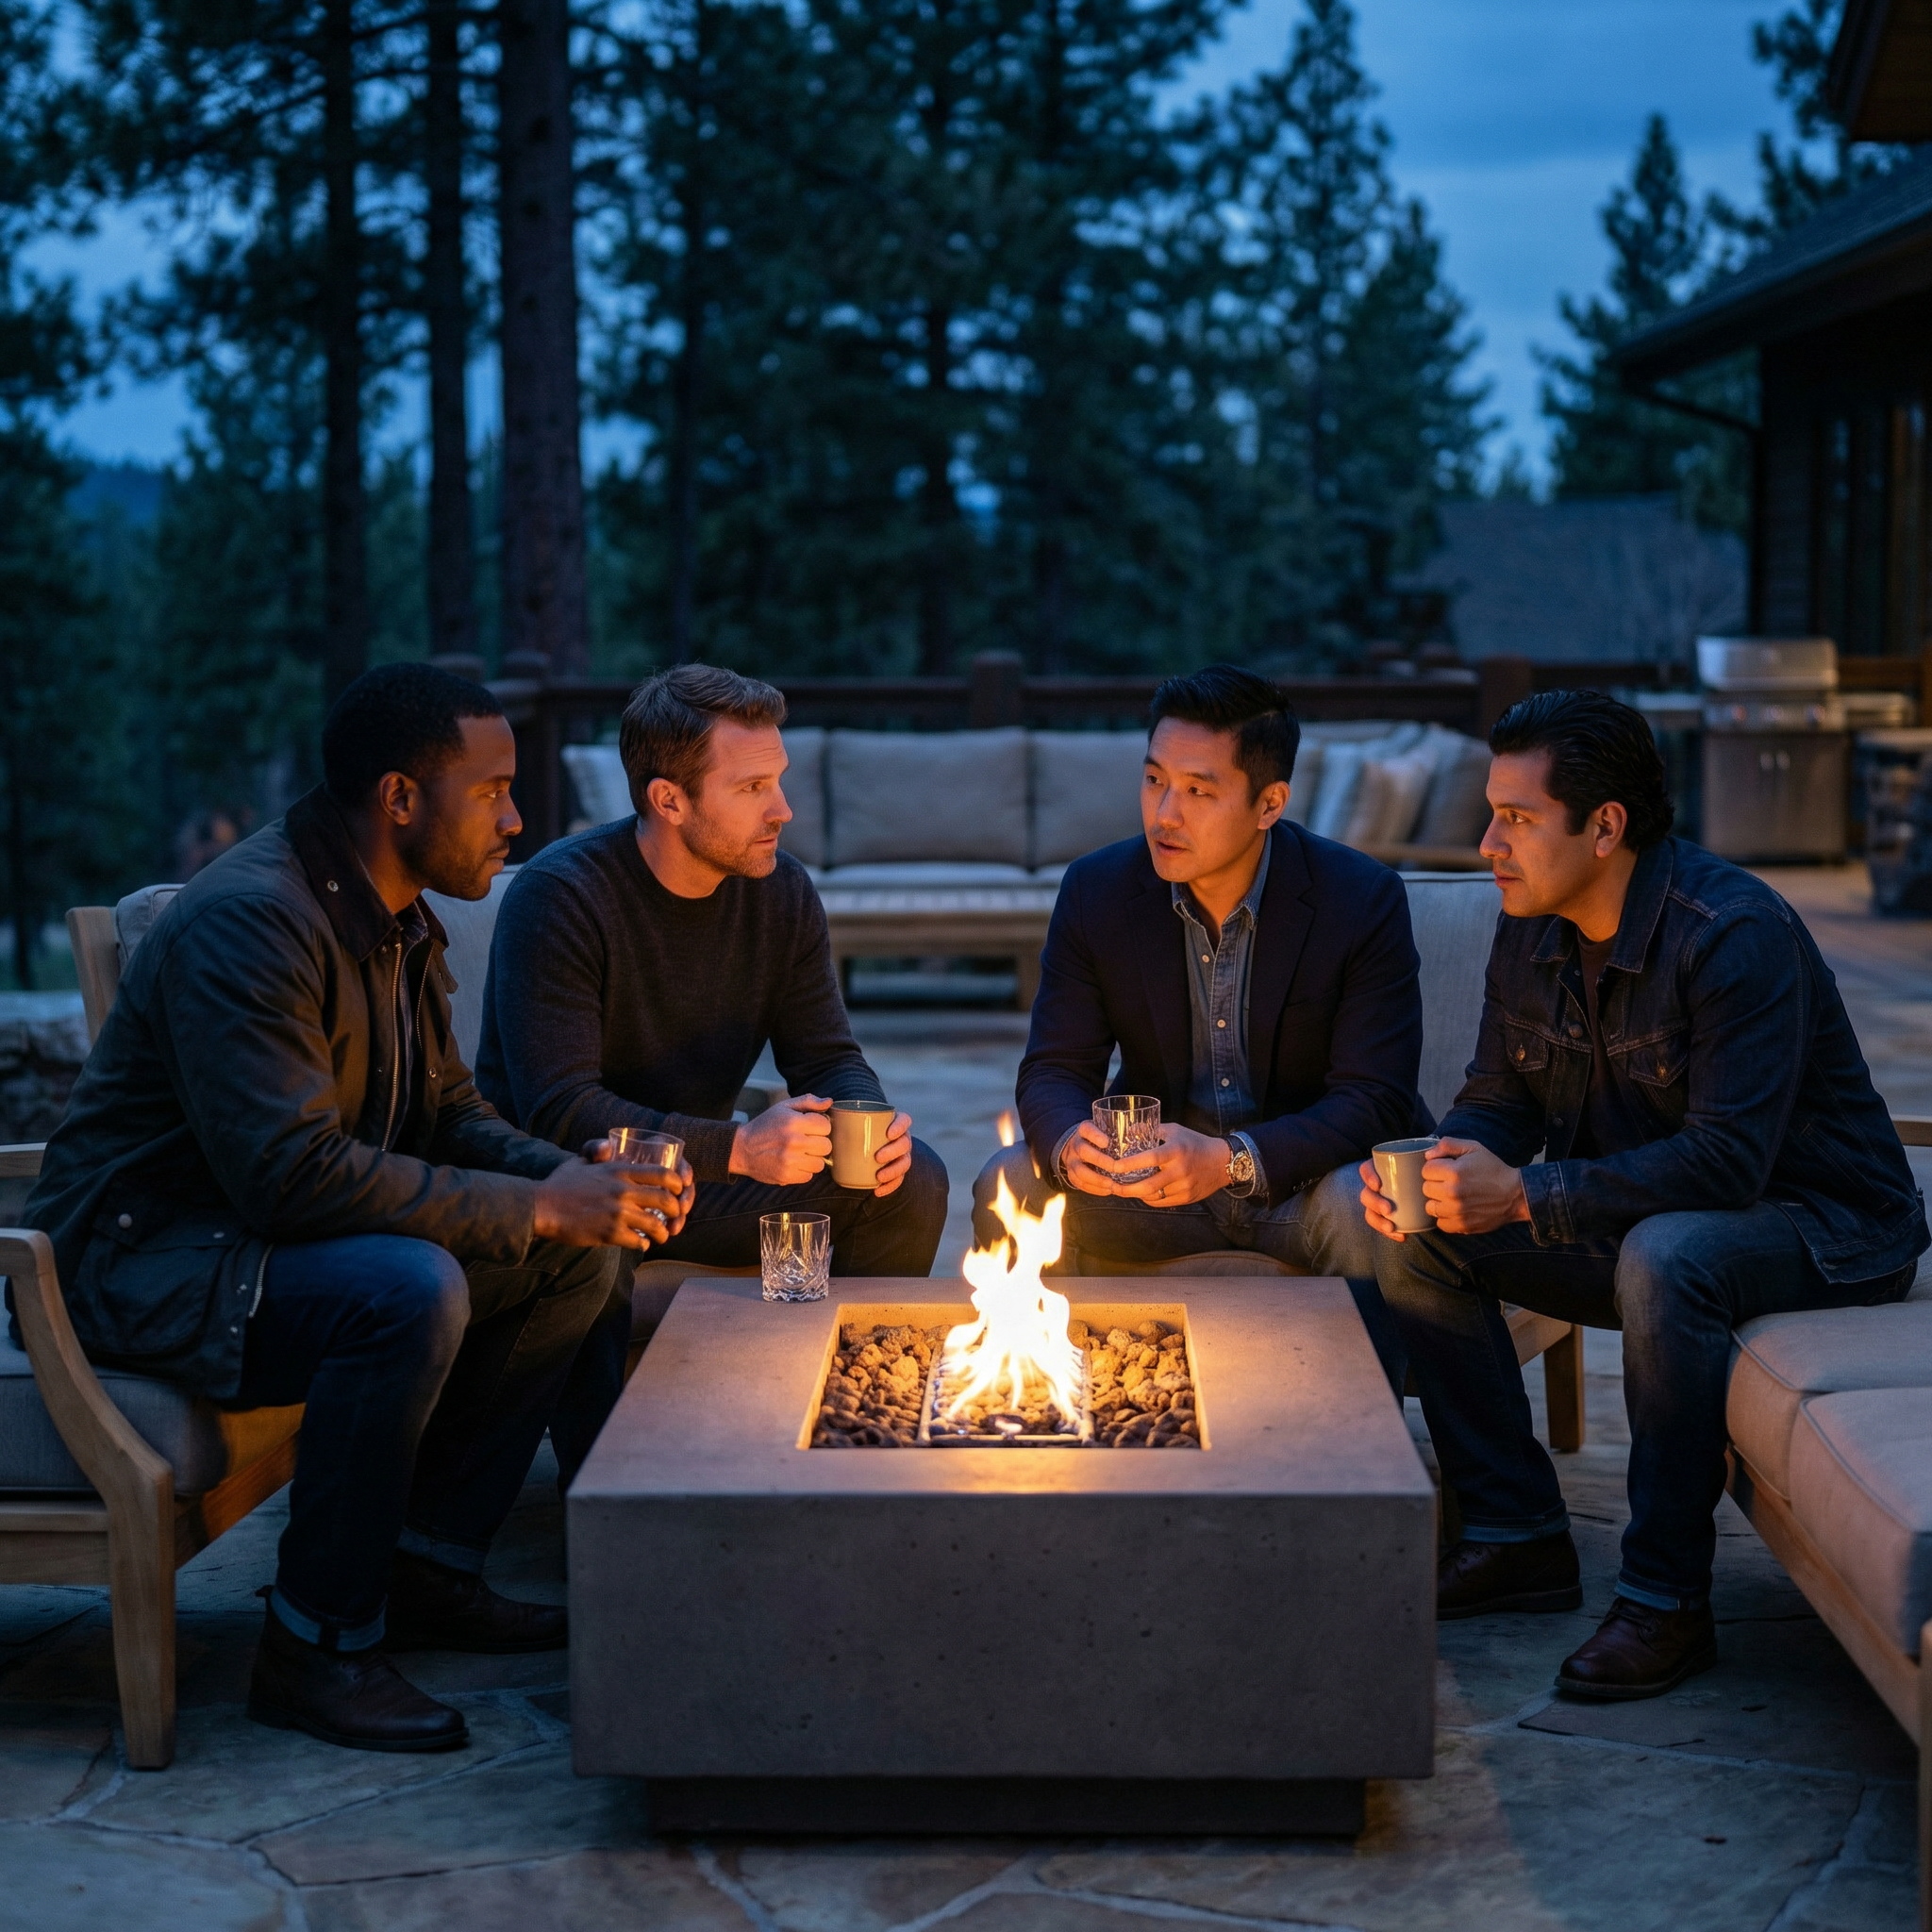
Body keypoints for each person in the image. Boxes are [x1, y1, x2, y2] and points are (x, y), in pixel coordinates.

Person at [25, 664, 691, 1756]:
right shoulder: (252, 923)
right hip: (143, 1263)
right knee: (406, 1286)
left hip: (250, 1242)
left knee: (579, 1255)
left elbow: (444, 1109)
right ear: (398, 798)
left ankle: (427, 1567)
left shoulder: (392, 917)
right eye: (491, 791)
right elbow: (290, 1175)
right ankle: (315, 1643)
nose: (516, 819)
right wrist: (540, 1206)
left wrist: (577, 1185)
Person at [1360, 690, 1928, 1700]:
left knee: (1668, 1253)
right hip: (1639, 1217)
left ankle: (1664, 1599)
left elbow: (1723, 1165)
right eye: (1491, 813)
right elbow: (1496, 1095)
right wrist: (1441, 1167)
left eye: (1517, 817)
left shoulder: (1730, 932)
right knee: (1415, 1237)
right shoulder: (1526, 925)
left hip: (1823, 1229)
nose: (1488, 841)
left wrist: (1525, 1192)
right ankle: (1512, 1530)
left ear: (1605, 825)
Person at [475, 663, 948, 1414]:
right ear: (669, 799)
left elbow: (826, 1056)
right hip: (584, 1189)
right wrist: (734, 1148)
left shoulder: (780, 891)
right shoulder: (562, 898)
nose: (783, 810)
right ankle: (610, 1480)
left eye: (779, 781)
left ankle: (853, 1410)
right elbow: (557, 1108)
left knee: (911, 1180)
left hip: (705, 1187)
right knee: (600, 1229)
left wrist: (870, 1125)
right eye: (752, 788)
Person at [1002, 665, 1428, 1384]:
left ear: (1269, 803)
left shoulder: (1361, 899)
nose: (1165, 813)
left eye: (1198, 791)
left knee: (1368, 1210)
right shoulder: (1098, 891)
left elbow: (1374, 1099)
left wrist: (1230, 1159)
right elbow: (1053, 1070)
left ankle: (1359, 1456)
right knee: (1007, 1181)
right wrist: (1073, 1145)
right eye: (1154, 780)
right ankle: (1072, 1409)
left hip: (1307, 1186)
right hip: (1152, 1185)